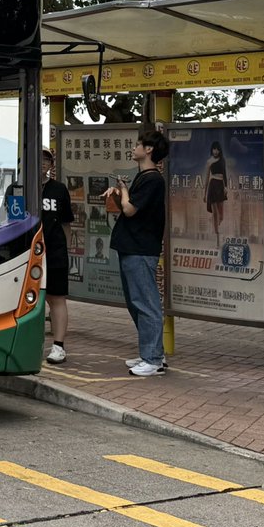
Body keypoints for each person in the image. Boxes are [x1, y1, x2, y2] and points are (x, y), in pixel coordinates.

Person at [106, 128, 170, 377]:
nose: (134, 148)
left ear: (149, 149)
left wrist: (123, 192)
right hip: (132, 246)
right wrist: (121, 190)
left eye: (138, 145)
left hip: (141, 249)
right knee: (137, 302)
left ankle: (152, 359)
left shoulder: (153, 179)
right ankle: (153, 353)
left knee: (146, 303)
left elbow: (130, 209)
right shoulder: (144, 177)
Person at [40, 148, 75, 365]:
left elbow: (66, 223)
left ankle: (58, 346)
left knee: (56, 298)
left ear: (52, 165)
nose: (42, 163)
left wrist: (67, 249)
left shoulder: (59, 190)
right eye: (38, 159)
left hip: (54, 252)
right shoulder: (17, 189)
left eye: (46, 160)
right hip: (25, 253)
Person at [204, 140, 227, 242]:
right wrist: (205, 193)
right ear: (212, 150)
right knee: (215, 213)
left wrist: (226, 186)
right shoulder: (209, 161)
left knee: (221, 214)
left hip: (220, 185)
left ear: (219, 150)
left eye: (217, 149)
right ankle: (217, 237)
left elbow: (225, 174)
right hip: (212, 185)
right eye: (214, 149)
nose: (215, 151)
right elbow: (206, 177)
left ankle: (218, 227)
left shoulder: (222, 160)